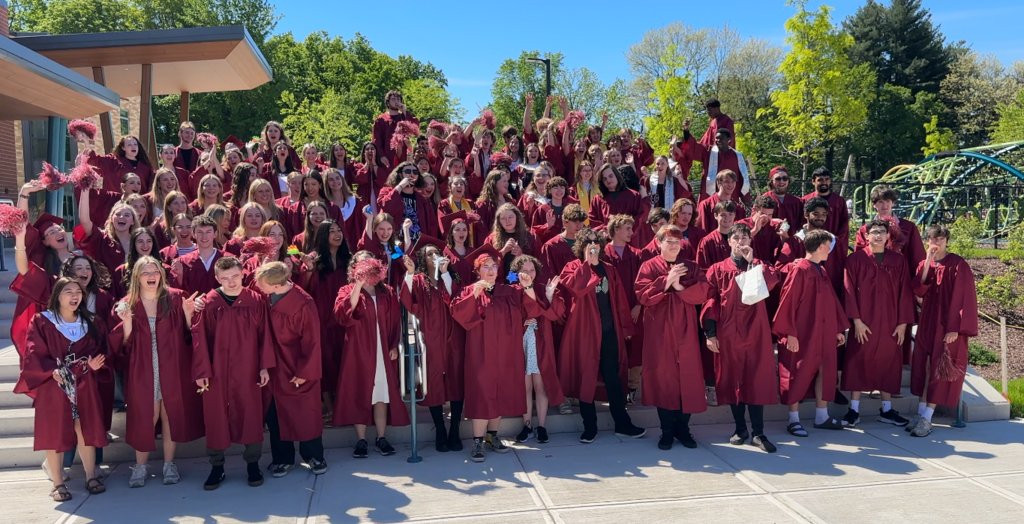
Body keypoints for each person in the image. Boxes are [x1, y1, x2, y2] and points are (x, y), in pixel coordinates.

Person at [109, 257, 202, 487]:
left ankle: (169, 464)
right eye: (145, 272)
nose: (151, 276)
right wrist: (127, 322)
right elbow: (124, 346)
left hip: (171, 366)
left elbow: (187, 335)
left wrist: (188, 314)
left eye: (155, 271)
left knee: (170, 414)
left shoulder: (175, 298)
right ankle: (140, 466)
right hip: (143, 368)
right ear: (137, 277)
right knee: (146, 416)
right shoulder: (127, 304)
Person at [19, 277, 109, 501]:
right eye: (68, 291)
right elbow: (33, 352)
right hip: (55, 384)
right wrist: (51, 370)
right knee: (55, 433)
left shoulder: (91, 323)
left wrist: (94, 364)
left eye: (78, 292)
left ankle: (91, 476)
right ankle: (58, 483)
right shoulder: (42, 321)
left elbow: (101, 350)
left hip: (85, 384)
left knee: (85, 429)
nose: (74, 295)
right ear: (57, 296)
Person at [192, 256, 275, 490]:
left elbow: (265, 335)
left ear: (243, 274)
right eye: (225, 278)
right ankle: (217, 467)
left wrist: (264, 366)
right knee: (215, 416)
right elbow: (199, 339)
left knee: (251, 414)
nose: (231, 282)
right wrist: (202, 371)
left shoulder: (255, 300)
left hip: (248, 367)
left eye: (235, 276)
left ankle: (253, 465)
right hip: (216, 370)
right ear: (217, 278)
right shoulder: (209, 302)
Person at [451, 250, 542, 462]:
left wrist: (528, 286)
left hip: (506, 353)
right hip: (481, 353)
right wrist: (475, 293)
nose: (491, 270)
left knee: (500, 393)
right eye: (486, 266)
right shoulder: (469, 290)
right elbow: (458, 314)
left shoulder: (509, 291)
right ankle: (477, 441)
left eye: (493, 266)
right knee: (482, 394)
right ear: (477, 271)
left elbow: (532, 310)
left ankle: (492, 436)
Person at [558, 228, 646, 443]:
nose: (592, 246)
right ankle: (590, 427)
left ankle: (622, 424)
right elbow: (576, 289)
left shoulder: (609, 269)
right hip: (585, 334)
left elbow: (620, 301)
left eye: (595, 242)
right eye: (588, 243)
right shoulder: (572, 268)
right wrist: (587, 264)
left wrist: (625, 328)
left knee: (613, 379)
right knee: (586, 379)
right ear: (581, 246)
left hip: (608, 332)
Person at [702, 224, 780, 453]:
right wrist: (711, 333)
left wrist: (752, 262)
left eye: (745, 237)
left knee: (756, 380)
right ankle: (740, 429)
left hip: (756, 333)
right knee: (732, 380)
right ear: (729, 241)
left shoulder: (759, 265)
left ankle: (758, 433)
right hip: (728, 333)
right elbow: (710, 302)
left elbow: (772, 282)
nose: (740, 241)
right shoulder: (717, 269)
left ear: (750, 241)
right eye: (736, 237)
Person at [635, 225, 711, 450]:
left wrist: (678, 285)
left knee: (688, 377)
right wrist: (666, 281)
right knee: (664, 379)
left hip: (686, 330)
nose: (674, 246)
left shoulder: (691, 267)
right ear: (659, 243)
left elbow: (703, 293)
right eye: (669, 241)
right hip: (660, 331)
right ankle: (667, 431)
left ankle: (683, 430)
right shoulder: (648, 266)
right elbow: (643, 296)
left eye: (677, 242)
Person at [254, 261, 327, 477]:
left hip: (296, 367)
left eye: (262, 285)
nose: (258, 288)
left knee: (306, 413)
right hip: (273, 367)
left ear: (276, 285)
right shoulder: (266, 298)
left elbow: (312, 341)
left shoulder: (303, 303)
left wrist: (305, 372)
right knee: (276, 415)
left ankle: (314, 456)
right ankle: (282, 458)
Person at [773, 229, 849, 437]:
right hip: (803, 332)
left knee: (826, 370)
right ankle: (793, 419)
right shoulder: (800, 269)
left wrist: (837, 329)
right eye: (829, 246)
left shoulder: (820, 270)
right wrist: (790, 333)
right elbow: (788, 301)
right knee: (797, 371)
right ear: (821, 246)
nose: (830, 250)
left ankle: (821, 416)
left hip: (824, 331)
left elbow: (830, 302)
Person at [334, 251, 409, 458]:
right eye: (361, 263)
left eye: (369, 261)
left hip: (382, 349)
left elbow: (395, 321)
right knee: (360, 391)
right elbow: (343, 315)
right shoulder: (347, 290)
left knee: (381, 394)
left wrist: (393, 345)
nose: (365, 266)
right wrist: (358, 285)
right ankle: (361, 440)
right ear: (354, 267)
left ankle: (381, 437)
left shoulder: (387, 291)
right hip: (358, 350)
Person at [841, 219, 915, 428]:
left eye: (882, 231)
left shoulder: (898, 260)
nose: (878, 235)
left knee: (888, 363)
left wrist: (902, 323)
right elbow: (848, 291)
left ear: (888, 236)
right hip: (864, 321)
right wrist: (856, 321)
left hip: (891, 322)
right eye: (874, 232)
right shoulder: (855, 260)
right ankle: (854, 410)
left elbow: (905, 292)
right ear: (866, 236)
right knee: (857, 361)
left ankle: (887, 409)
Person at [908, 225, 978, 437]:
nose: (937, 242)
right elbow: (918, 289)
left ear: (947, 241)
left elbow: (964, 298)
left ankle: (928, 417)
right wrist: (928, 260)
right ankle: (921, 413)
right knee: (923, 366)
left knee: (938, 369)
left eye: (941, 238)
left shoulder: (958, 264)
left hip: (947, 324)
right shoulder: (925, 263)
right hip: (927, 322)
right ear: (927, 240)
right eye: (933, 238)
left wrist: (954, 328)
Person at [399, 243, 464, 452]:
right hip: (431, 337)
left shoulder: (450, 276)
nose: (434, 256)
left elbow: (458, 300)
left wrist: (445, 273)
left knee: (456, 380)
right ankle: (440, 430)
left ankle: (455, 430)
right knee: (433, 382)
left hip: (453, 337)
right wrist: (410, 273)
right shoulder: (419, 280)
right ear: (423, 259)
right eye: (429, 254)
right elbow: (408, 300)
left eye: (437, 252)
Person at [509, 255, 563, 445]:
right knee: (525, 386)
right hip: (521, 341)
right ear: (517, 272)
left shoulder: (542, 288)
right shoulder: (511, 291)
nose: (529, 274)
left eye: (532, 270)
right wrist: (521, 322)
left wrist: (549, 296)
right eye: (524, 270)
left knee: (540, 384)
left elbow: (554, 314)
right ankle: (527, 425)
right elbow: (508, 317)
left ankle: (541, 426)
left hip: (540, 341)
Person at [602, 215, 645, 400]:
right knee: (614, 348)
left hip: (634, 309)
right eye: (627, 228)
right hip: (611, 310)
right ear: (616, 230)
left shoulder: (636, 254)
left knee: (635, 346)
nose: (631, 232)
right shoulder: (604, 253)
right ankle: (615, 389)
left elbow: (643, 283)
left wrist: (638, 305)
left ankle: (632, 387)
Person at [674, 121, 750, 202]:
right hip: (711, 196)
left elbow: (743, 178)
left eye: (721, 138)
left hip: (731, 195)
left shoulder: (737, 156)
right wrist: (686, 132)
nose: (718, 140)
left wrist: (745, 197)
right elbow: (694, 148)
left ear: (729, 140)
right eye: (716, 138)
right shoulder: (709, 152)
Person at [587, 163, 647, 247]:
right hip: (607, 242)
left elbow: (639, 217)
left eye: (611, 176)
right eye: (604, 179)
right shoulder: (598, 199)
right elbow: (593, 219)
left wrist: (624, 230)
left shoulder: (633, 196)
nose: (608, 180)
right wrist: (607, 230)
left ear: (617, 176)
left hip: (629, 242)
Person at [170, 215, 225, 296]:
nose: (204, 236)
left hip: (222, 304)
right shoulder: (183, 262)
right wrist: (179, 276)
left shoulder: (227, 259)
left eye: (208, 232)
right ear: (193, 234)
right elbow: (176, 292)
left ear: (215, 234)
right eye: (200, 232)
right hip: (193, 303)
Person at [82, 134, 154, 191]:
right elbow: (95, 161)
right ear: (123, 148)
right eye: (129, 145)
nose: (133, 147)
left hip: (137, 203)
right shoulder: (113, 161)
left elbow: (152, 186)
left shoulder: (145, 166)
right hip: (117, 202)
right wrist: (86, 142)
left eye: (135, 144)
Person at [374, 90, 418, 167]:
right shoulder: (381, 119)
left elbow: (415, 128)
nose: (396, 101)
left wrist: (404, 111)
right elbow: (377, 140)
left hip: (403, 157)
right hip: (387, 159)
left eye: (398, 99)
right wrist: (381, 156)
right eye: (393, 99)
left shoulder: (404, 117)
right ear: (388, 102)